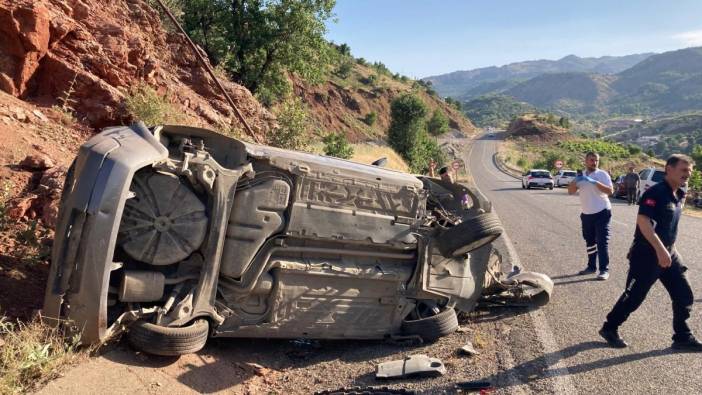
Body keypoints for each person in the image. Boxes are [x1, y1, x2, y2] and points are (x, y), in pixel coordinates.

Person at [599, 154, 701, 351]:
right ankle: (609, 327)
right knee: (634, 296)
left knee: (684, 294)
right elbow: (643, 222)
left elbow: (667, 227)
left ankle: (682, 336)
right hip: (647, 255)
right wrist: (660, 250)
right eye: (683, 170)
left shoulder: (678, 194)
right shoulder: (655, 193)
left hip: (669, 252)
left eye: (689, 171)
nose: (687, 174)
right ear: (669, 169)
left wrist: (668, 250)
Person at [568, 152, 614, 280]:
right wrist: (575, 181)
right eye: (592, 160)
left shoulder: (602, 174)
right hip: (587, 214)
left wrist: (594, 182)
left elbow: (610, 191)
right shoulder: (580, 175)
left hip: (602, 211)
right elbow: (571, 192)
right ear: (586, 161)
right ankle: (591, 267)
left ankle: (604, 270)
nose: (594, 162)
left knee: (602, 241)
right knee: (590, 242)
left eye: (596, 160)